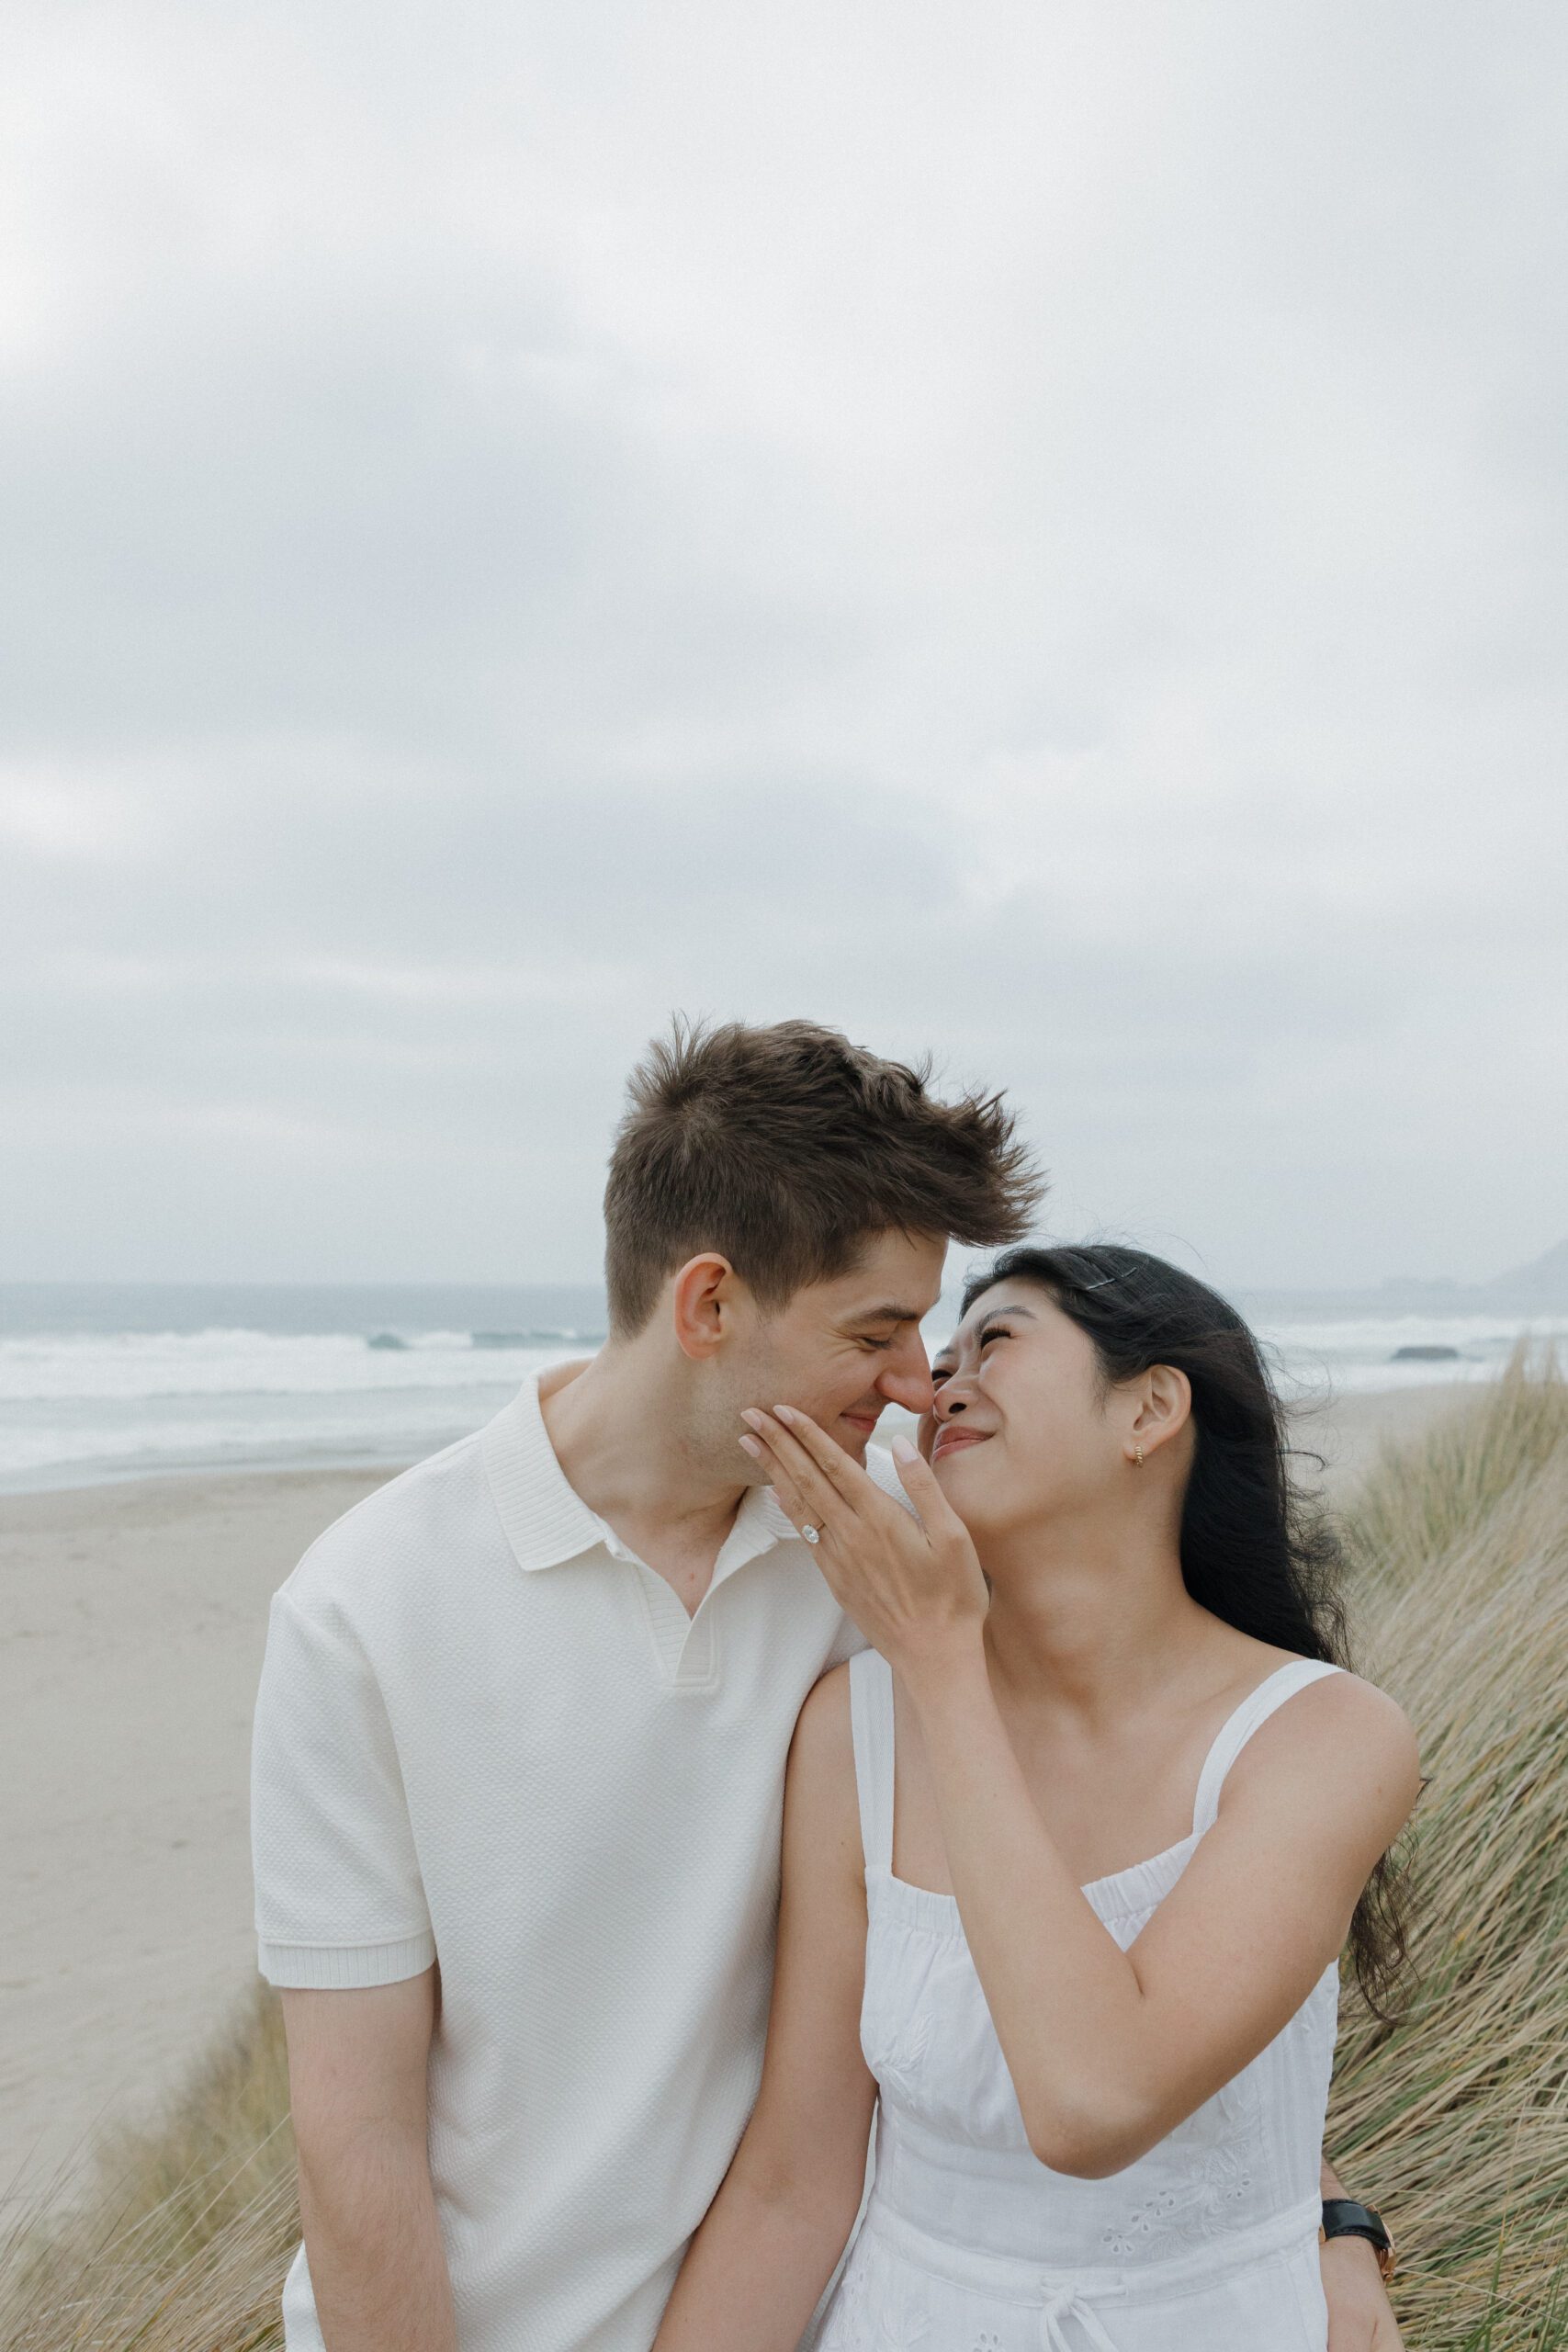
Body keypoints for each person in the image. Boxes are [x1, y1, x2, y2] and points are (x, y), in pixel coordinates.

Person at [251, 1027, 1403, 2352]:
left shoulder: (876, 1567)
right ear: (707, 1308)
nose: (920, 1384)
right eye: (880, 1331)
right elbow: (358, 2149)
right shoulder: (363, 1612)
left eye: (946, 1333)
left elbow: (1160, 1892)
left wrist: (1315, 2220)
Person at [653, 1244, 1417, 2352]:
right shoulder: (850, 1730)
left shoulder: (1321, 1737)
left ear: (1151, 1408)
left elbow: (1093, 2100)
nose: (936, 1384)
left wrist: (940, 1660)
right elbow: (792, 2184)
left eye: (996, 1341)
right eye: (939, 1355)